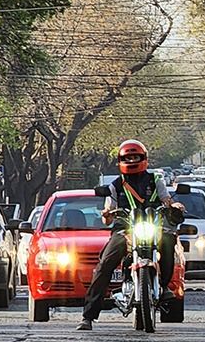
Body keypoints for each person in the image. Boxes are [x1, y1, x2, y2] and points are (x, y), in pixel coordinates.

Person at [77, 140, 184, 331]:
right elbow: (107, 216)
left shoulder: (155, 180)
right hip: (125, 230)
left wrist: (175, 206)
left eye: (136, 157)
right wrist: (107, 214)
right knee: (105, 263)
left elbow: (167, 200)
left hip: (153, 227)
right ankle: (88, 316)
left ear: (144, 158)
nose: (132, 161)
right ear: (120, 160)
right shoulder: (116, 185)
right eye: (128, 158)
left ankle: (164, 286)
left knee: (169, 242)